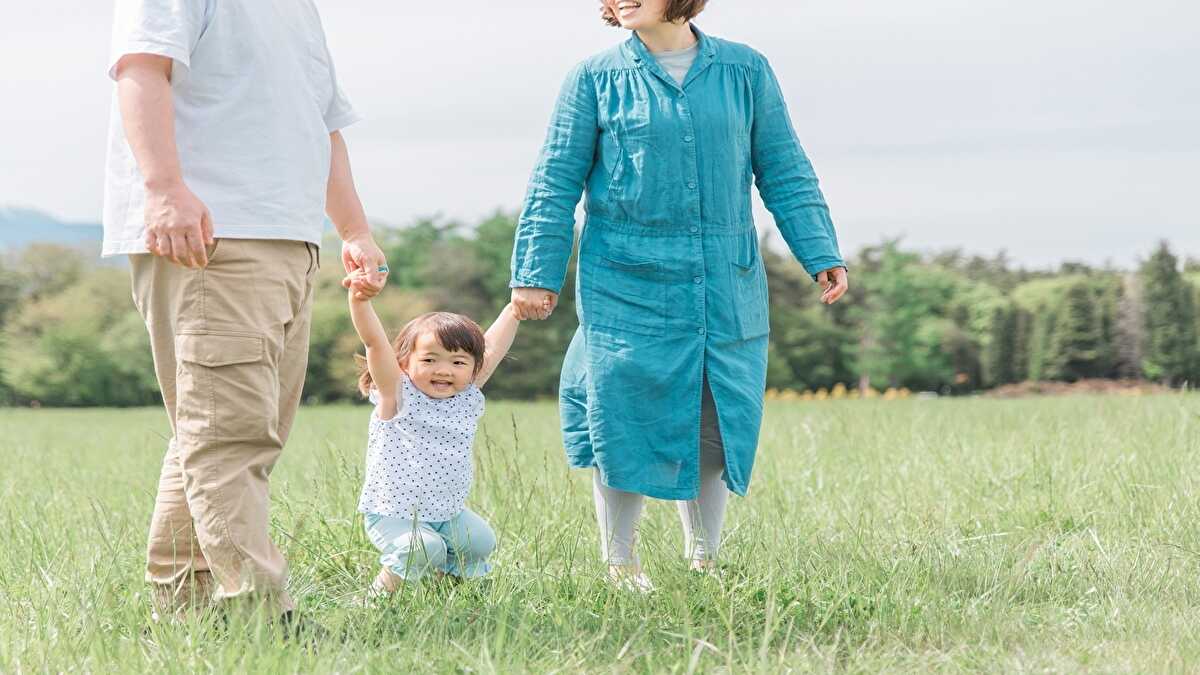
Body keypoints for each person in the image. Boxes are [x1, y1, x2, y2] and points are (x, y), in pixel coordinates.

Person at [509, 0, 850, 591]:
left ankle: (705, 561)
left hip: (723, 273)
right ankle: (620, 564)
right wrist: (535, 271)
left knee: (714, 414)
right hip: (623, 277)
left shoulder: (746, 70)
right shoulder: (592, 78)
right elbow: (555, 179)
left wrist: (819, 251)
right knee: (619, 414)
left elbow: (785, 168)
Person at [104, 0, 387, 623]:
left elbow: (325, 126)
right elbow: (140, 69)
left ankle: (186, 606)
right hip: (209, 235)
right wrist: (163, 189)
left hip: (289, 240)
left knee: (224, 433)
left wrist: (355, 231)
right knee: (226, 437)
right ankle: (259, 615)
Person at [345, 267, 534, 594]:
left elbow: (492, 347)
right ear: (404, 362)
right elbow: (375, 343)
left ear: (473, 368)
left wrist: (514, 310)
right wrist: (360, 302)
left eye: (458, 362)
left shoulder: (467, 396)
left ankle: (445, 593)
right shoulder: (398, 395)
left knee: (479, 542)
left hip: (447, 513)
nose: (444, 370)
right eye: (430, 360)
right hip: (394, 513)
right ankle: (375, 601)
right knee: (423, 548)